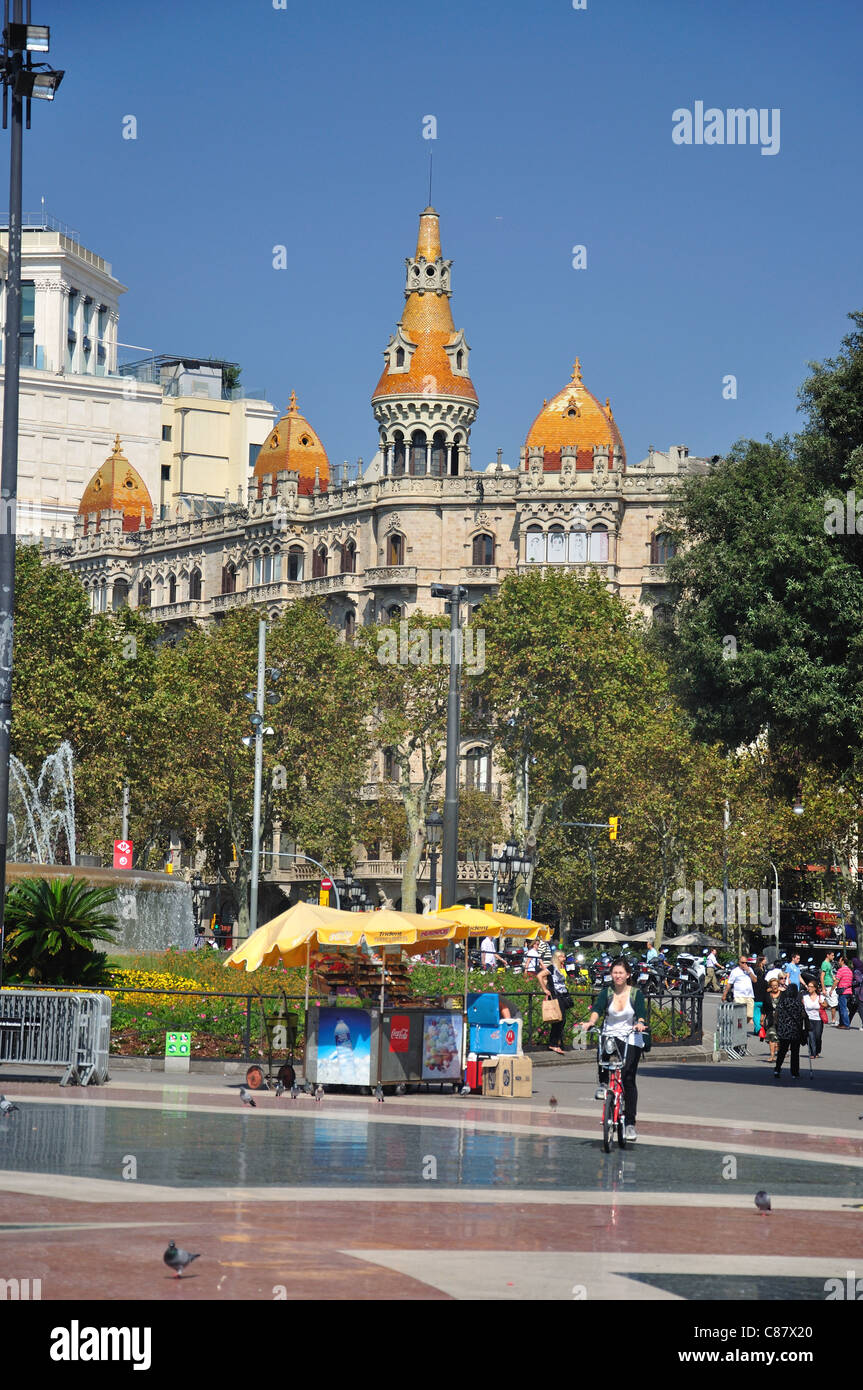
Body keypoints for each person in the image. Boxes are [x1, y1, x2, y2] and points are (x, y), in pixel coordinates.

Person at [579, 959, 648, 1142]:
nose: (617, 976)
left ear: (627, 975)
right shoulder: (606, 993)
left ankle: (630, 1124)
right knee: (604, 1060)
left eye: (621, 972)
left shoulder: (635, 994)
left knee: (628, 1078)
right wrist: (591, 1022)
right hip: (610, 1034)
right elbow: (597, 1009)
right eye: (614, 972)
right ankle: (603, 1084)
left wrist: (640, 1023)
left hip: (630, 1036)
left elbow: (641, 1012)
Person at [538, 949, 574, 1055]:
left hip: (563, 995)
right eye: (562, 956)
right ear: (558, 958)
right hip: (556, 995)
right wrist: (545, 989)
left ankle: (555, 1042)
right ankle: (553, 1044)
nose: (564, 958)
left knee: (560, 1019)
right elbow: (540, 975)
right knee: (560, 1019)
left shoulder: (561, 968)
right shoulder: (552, 967)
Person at [773, 983, 807, 1080]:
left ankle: (777, 1069)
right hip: (795, 1031)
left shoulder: (782, 1003)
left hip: (784, 1031)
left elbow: (776, 1015)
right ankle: (794, 1072)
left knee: (782, 1052)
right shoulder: (798, 1003)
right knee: (795, 1053)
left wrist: (777, 1025)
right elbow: (803, 1015)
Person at [722, 954, 757, 1028]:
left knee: (749, 1015)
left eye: (746, 963)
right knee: (739, 1015)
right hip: (739, 996)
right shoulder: (735, 971)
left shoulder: (750, 970)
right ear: (739, 963)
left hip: (749, 995)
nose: (744, 964)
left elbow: (755, 980)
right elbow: (729, 984)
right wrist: (724, 994)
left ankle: (740, 1027)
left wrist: (749, 972)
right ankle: (738, 1029)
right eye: (742, 963)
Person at [761, 977, 784, 1064]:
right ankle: (772, 1056)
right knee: (771, 1037)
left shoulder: (783, 994)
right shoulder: (767, 995)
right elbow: (764, 1007)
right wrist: (762, 1017)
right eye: (773, 986)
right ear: (770, 986)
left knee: (779, 1038)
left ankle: (779, 1051)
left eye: (776, 985)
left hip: (781, 1019)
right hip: (771, 1018)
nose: (775, 987)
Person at [802, 978, 826, 1058]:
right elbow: (802, 1007)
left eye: (811, 987)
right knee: (811, 1037)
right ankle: (812, 1053)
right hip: (808, 1019)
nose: (809, 988)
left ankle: (817, 1050)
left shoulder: (820, 997)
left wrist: (822, 1004)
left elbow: (826, 1005)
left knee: (818, 1037)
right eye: (808, 986)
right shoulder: (805, 997)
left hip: (818, 1020)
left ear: (815, 988)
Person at [835, 955, 853, 1029]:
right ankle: (841, 1023)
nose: (838, 962)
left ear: (842, 962)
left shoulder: (841, 970)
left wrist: (832, 989)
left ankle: (846, 1024)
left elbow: (836, 981)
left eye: (839, 960)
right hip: (848, 991)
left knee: (843, 1008)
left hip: (843, 991)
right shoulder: (849, 970)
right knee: (841, 1007)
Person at [820, 950, 838, 1026]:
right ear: (828, 955)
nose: (833, 957)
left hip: (831, 984)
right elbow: (822, 976)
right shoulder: (824, 964)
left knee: (829, 1003)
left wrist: (834, 978)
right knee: (833, 1004)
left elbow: (830, 974)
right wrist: (823, 988)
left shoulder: (829, 964)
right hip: (827, 985)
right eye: (832, 955)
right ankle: (833, 1020)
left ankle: (822, 1014)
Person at [752, 956, 768, 1035]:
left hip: (755, 999)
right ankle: (757, 1029)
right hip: (763, 999)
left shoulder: (753, 982)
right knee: (761, 1014)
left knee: (755, 1015)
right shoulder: (765, 982)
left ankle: (758, 1028)